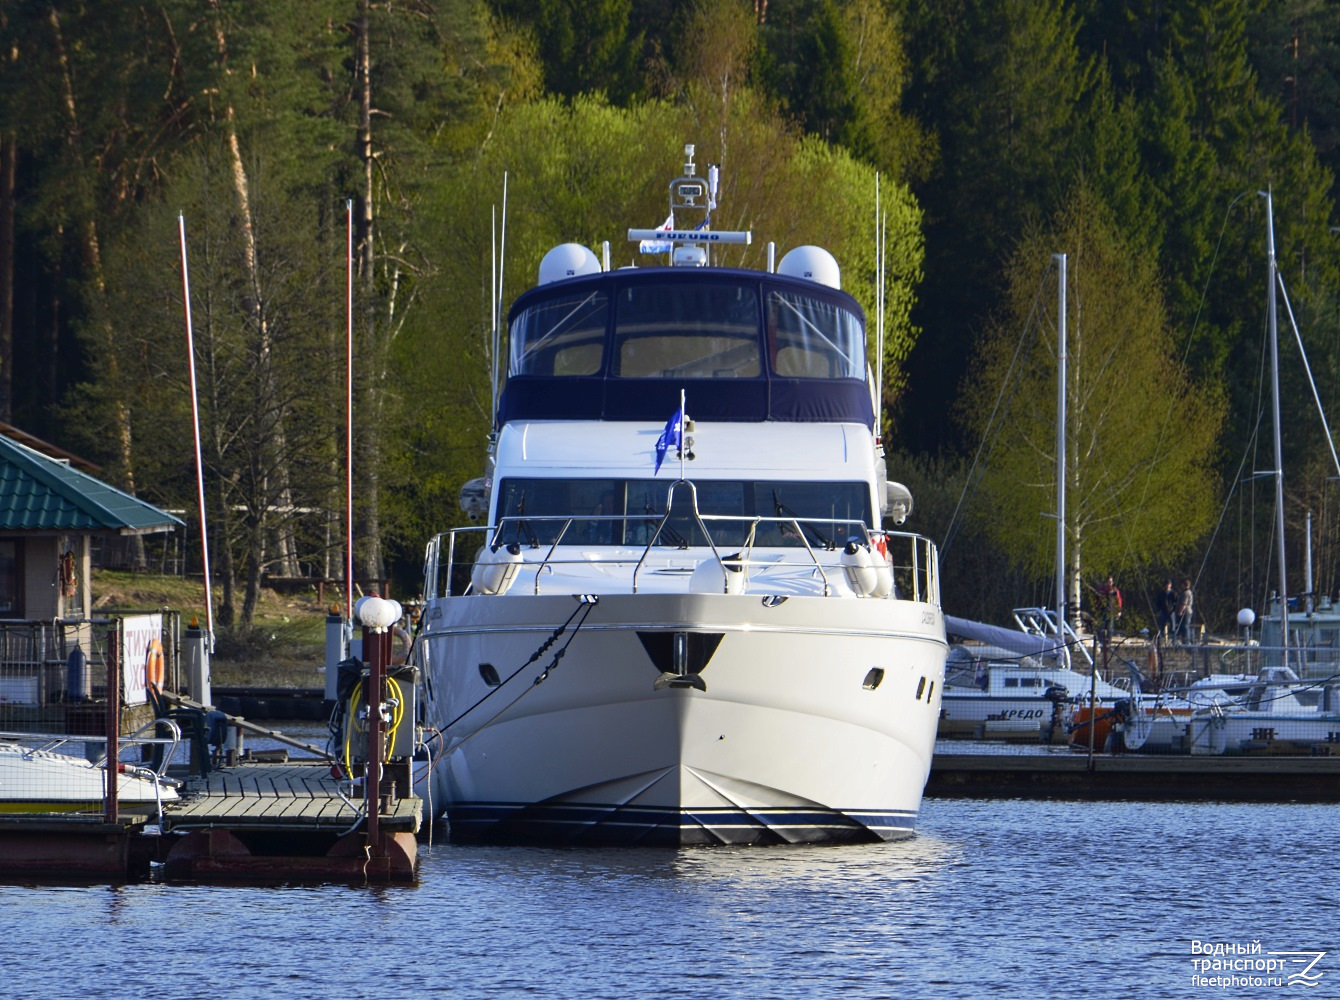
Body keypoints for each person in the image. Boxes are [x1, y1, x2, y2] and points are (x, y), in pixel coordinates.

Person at [1095, 574, 1122, 645]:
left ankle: (1108, 643)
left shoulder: (1115, 590)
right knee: (1100, 627)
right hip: (1102, 611)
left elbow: (1118, 601)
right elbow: (1096, 600)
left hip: (1110, 611)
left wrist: (1118, 611)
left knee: (1110, 627)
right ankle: (1100, 642)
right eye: (1109, 582)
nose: (1110, 583)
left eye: (1111, 582)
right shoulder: (1101, 590)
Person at [1175, 578, 1194, 643]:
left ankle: (1186, 641)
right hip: (1187, 612)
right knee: (1185, 626)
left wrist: (1180, 612)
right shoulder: (1188, 592)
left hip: (1185, 612)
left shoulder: (1186, 593)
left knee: (1185, 627)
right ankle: (1185, 640)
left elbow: (1184, 604)